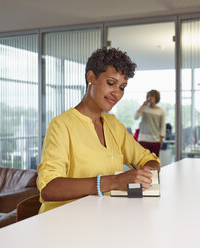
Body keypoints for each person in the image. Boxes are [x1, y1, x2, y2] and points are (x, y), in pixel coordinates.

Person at [36, 47, 160, 213]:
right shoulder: (61, 125)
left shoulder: (113, 124)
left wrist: (146, 173)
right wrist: (114, 181)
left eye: (122, 87)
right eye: (111, 83)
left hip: (103, 220)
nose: (116, 93)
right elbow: (49, 188)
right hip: (64, 225)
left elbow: (149, 159)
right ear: (91, 77)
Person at [134, 90, 166, 157]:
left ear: (156, 98)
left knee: (154, 161)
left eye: (152, 96)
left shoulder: (161, 111)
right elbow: (136, 117)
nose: (150, 98)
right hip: (143, 139)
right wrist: (142, 105)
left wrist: (160, 138)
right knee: (142, 161)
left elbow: (163, 126)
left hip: (155, 140)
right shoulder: (144, 108)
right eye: (148, 96)